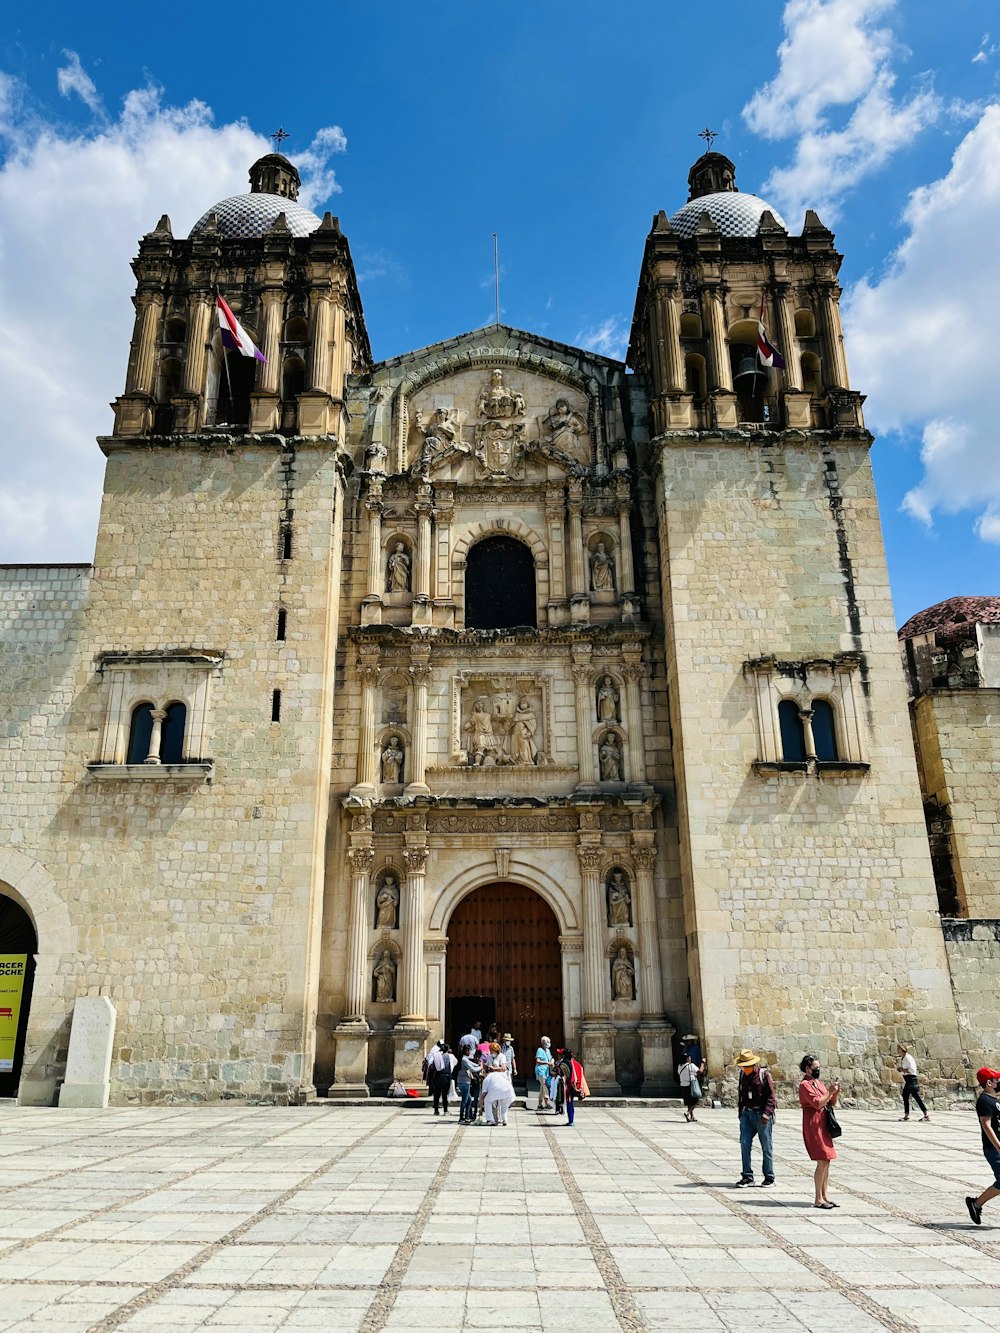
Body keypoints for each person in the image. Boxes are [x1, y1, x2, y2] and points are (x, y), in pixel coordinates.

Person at [798, 1053, 840, 1208]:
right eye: (815, 1068)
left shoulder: (818, 1083)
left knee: (827, 1160)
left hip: (823, 1124)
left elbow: (830, 1102)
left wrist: (834, 1092)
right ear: (807, 1069)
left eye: (819, 1067)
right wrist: (829, 1093)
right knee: (822, 1160)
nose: (818, 1070)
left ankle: (824, 1195)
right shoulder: (805, 1085)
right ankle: (817, 1199)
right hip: (813, 1125)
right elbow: (817, 1104)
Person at [735, 1049, 776, 1186]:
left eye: (746, 1066)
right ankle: (747, 1175)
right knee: (744, 1143)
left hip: (762, 1115)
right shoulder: (742, 1075)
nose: (744, 1069)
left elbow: (771, 1097)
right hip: (747, 1114)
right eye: (742, 1066)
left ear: (753, 1065)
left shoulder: (764, 1075)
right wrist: (741, 1113)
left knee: (766, 1145)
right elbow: (741, 1094)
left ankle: (769, 1176)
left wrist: (767, 1113)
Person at [966, 1067, 1000, 1225]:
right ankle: (976, 1204)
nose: (999, 1082)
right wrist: (998, 1147)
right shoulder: (984, 1101)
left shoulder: (995, 1100)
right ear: (989, 1083)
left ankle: (976, 1204)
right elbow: (987, 1126)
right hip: (993, 1149)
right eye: (996, 1080)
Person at [897, 1044, 930, 1122]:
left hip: (911, 1079)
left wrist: (902, 1070)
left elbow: (911, 1070)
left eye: (899, 1049)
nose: (898, 1051)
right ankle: (923, 1114)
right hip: (909, 1079)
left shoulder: (907, 1057)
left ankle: (909, 1115)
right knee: (909, 1096)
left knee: (911, 1096)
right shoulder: (904, 1057)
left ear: (902, 1050)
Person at [480, 1062, 515, 1126]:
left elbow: (483, 1096)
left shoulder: (487, 1078)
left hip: (496, 1090)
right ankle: (504, 1120)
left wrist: (480, 1109)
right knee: (504, 1104)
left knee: (487, 1101)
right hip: (508, 1090)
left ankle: (490, 1120)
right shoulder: (502, 1074)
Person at [557, 1048, 586, 1127]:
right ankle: (571, 1120)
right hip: (573, 1085)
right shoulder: (573, 1062)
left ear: (563, 1055)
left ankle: (571, 1121)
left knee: (569, 1103)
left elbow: (561, 1073)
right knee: (570, 1103)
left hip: (567, 1086)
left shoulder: (563, 1063)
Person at [678, 1046, 706, 1123]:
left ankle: (692, 1116)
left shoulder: (679, 1066)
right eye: (689, 1057)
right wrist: (702, 1063)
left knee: (689, 1101)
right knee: (696, 1099)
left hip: (683, 1085)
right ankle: (688, 1113)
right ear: (687, 1059)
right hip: (690, 1085)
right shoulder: (691, 1065)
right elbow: (700, 1071)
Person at [426, 1040, 452, 1116]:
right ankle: (445, 1110)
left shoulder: (437, 1056)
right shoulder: (450, 1056)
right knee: (445, 1095)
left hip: (438, 1077)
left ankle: (436, 1110)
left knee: (437, 1094)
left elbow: (432, 1066)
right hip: (446, 1077)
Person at [456, 1046, 480, 1124]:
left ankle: (467, 1116)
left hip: (462, 1081)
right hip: (465, 1082)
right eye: (469, 1050)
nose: (470, 1052)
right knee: (465, 1100)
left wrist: (478, 1064)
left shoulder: (464, 1059)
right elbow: (472, 1068)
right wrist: (481, 1067)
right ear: (466, 1051)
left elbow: (472, 1064)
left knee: (469, 1100)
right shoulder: (464, 1060)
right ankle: (461, 1117)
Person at [535, 1036, 554, 1110]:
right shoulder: (540, 1050)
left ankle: (539, 1104)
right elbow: (538, 1060)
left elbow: (551, 1058)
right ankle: (547, 1103)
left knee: (542, 1088)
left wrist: (551, 1061)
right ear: (543, 1043)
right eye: (548, 1042)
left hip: (546, 1071)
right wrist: (546, 1063)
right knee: (545, 1087)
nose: (549, 1044)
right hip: (541, 1071)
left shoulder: (548, 1051)